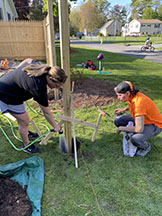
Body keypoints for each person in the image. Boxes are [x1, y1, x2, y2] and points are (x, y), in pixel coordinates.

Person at [0, 58, 67, 154]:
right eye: (57, 86)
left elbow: (28, 60)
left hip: (10, 87)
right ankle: (26, 145)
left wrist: (15, 72)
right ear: (51, 79)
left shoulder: (42, 67)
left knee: (23, 119)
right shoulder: (38, 86)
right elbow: (46, 112)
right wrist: (55, 126)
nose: (57, 88)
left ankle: (26, 133)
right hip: (6, 96)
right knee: (24, 121)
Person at [114, 81, 162, 157]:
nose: (118, 98)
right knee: (118, 121)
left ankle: (146, 147)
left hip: (154, 125)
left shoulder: (139, 103)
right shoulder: (133, 96)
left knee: (135, 139)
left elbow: (139, 128)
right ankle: (136, 134)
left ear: (128, 93)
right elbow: (133, 104)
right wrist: (123, 109)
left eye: (120, 95)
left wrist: (121, 128)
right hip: (142, 119)